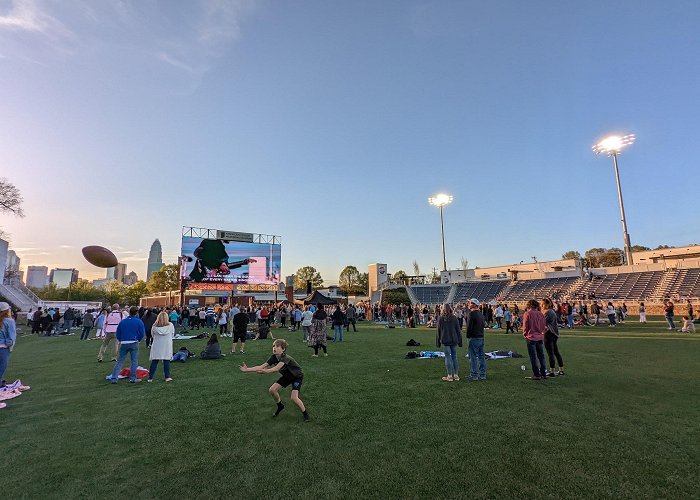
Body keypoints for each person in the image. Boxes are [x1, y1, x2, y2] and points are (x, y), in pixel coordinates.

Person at [239, 339, 310, 422]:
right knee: (272, 390)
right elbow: (261, 366)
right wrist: (247, 369)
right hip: (287, 376)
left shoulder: (285, 358)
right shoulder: (273, 357)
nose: (274, 348)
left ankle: (306, 414)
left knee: (294, 397)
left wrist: (265, 371)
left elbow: (276, 368)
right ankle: (280, 406)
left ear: (283, 349)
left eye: (277, 346)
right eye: (273, 346)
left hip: (296, 377)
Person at [108, 306, 146, 384]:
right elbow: (142, 333)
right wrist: (138, 339)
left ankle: (114, 378)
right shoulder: (139, 321)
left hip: (124, 342)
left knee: (120, 361)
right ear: (136, 313)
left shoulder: (123, 322)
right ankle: (133, 378)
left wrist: (121, 339)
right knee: (134, 361)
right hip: (134, 342)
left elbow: (118, 333)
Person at [436, 303, 462, 382]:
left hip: (445, 340)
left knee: (448, 357)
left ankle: (450, 375)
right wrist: (460, 341)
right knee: (454, 356)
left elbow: (438, 331)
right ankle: (456, 375)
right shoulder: (454, 318)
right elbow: (458, 330)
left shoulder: (441, 318)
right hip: (454, 339)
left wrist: (438, 342)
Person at [522, 299, 547, 380]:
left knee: (533, 357)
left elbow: (525, 325)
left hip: (531, 337)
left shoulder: (527, 314)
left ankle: (536, 374)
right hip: (539, 337)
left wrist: (525, 334)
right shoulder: (541, 314)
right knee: (541, 356)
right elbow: (544, 326)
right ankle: (543, 373)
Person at [148, 311, 174, 382]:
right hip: (166, 345)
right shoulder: (170, 325)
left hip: (157, 345)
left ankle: (150, 377)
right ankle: (167, 377)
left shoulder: (154, 327)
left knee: (154, 361)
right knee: (166, 361)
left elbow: (152, 335)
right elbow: (172, 334)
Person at [542, 298, 565, 376]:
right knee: (556, 352)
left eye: (543, 304)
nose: (542, 305)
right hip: (554, 334)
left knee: (550, 353)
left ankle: (552, 371)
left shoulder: (548, 312)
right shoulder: (552, 311)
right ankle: (561, 370)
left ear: (547, 304)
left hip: (549, 334)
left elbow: (543, 322)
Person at [465, 298, 486, 381]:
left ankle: (474, 375)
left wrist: (468, 336)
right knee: (481, 357)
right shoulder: (481, 314)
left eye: (470, 303)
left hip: (474, 338)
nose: (469, 304)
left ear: (473, 304)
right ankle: (482, 374)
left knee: (473, 357)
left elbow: (469, 327)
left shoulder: (472, 314)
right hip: (481, 337)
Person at [0, 302, 17, 383]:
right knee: (2, 366)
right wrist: (9, 345)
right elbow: (11, 337)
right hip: (3, 347)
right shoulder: (9, 321)